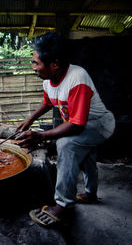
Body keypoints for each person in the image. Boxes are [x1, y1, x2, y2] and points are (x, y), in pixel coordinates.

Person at [15, 33, 115, 228]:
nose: (33, 67)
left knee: (67, 143)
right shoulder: (48, 80)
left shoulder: (77, 78)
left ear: (55, 64)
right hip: (84, 125)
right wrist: (30, 119)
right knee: (85, 155)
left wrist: (40, 135)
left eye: (36, 63)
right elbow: (47, 102)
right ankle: (91, 193)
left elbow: (76, 124)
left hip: (100, 125)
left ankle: (62, 205)